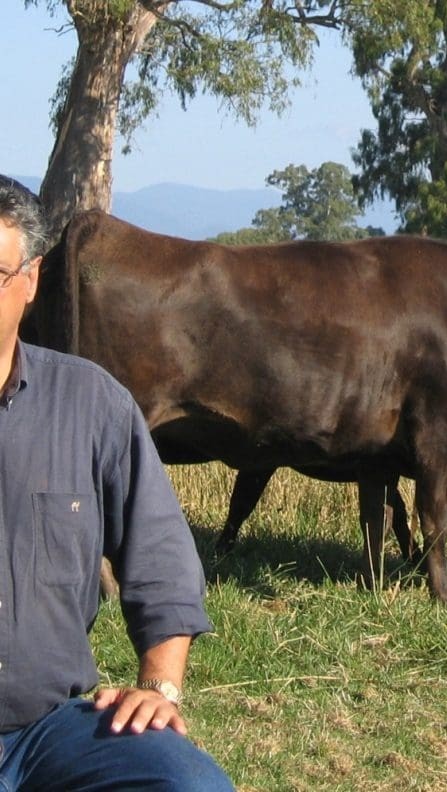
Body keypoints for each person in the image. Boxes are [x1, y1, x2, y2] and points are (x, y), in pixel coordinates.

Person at [0, 175, 234, 790]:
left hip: (53, 727)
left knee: (193, 786)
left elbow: (159, 557)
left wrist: (159, 688)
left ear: (30, 280)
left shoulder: (90, 402)